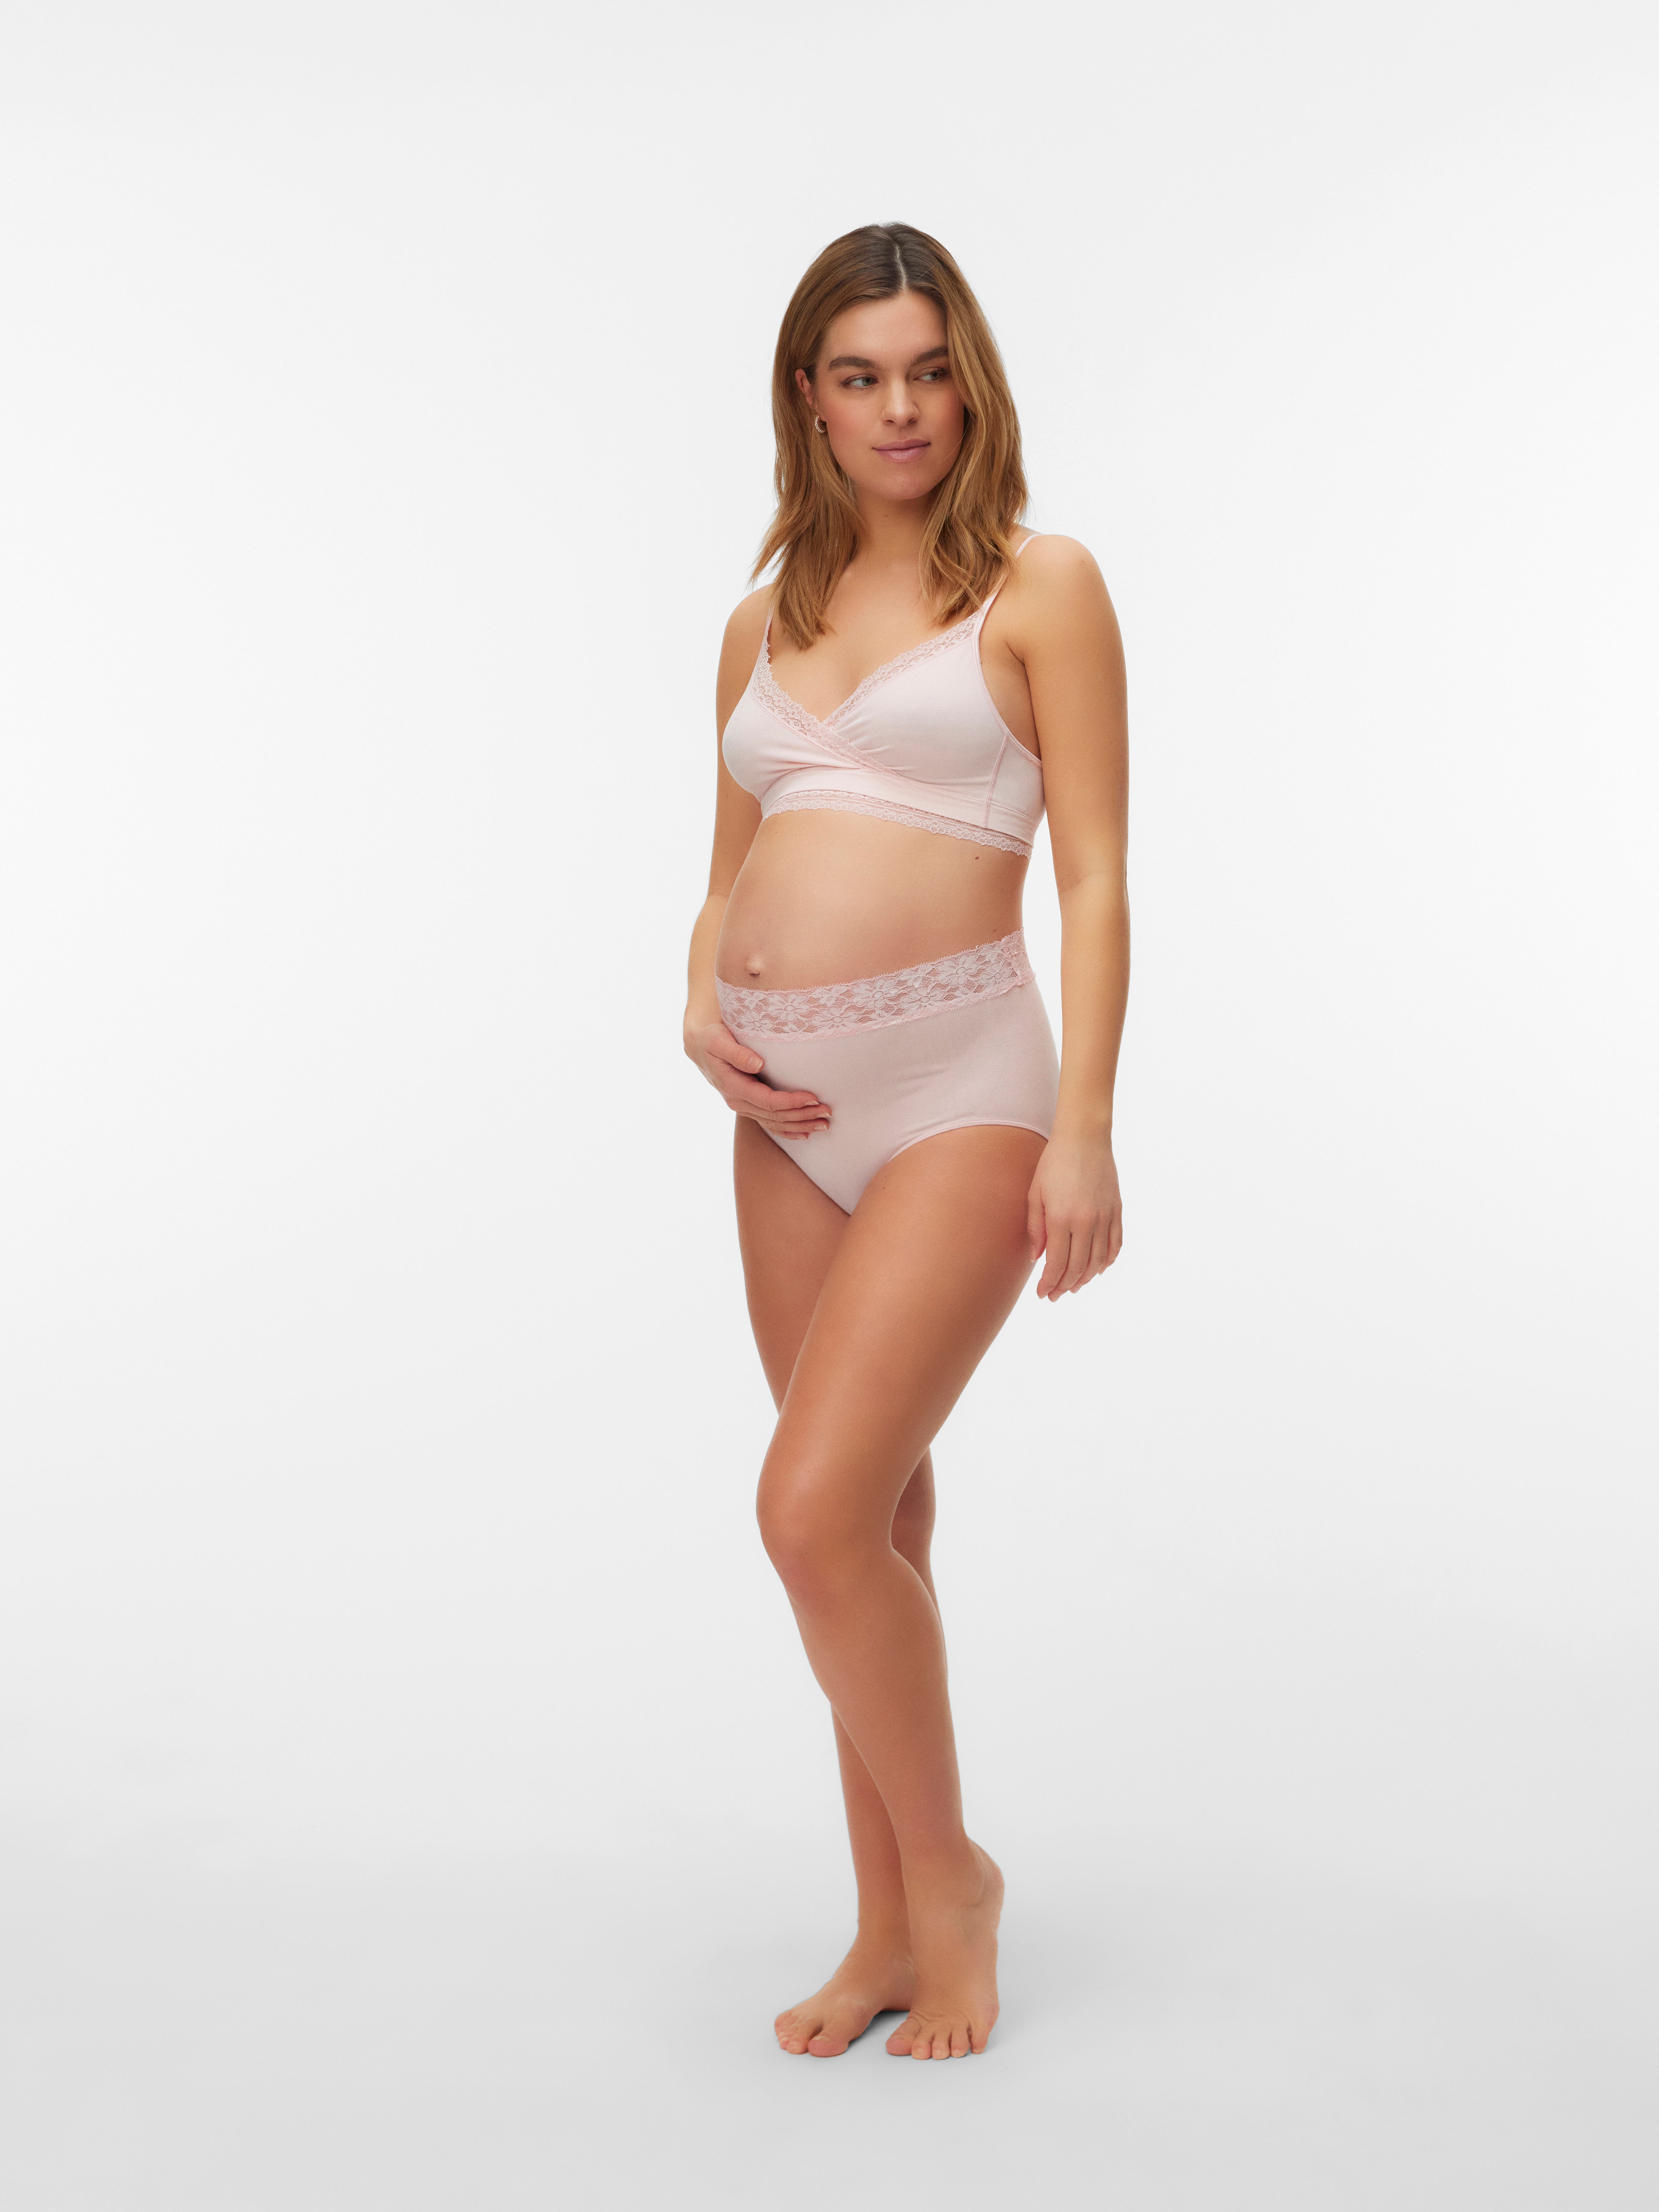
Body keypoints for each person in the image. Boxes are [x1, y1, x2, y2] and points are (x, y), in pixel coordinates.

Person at [683, 223, 1129, 2061]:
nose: (900, 408)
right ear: (809, 395)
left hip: (961, 1092)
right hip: (785, 1120)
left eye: (930, 371)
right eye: (861, 375)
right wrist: (702, 999)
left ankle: (952, 1885)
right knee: (871, 1519)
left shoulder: (1040, 585)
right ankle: (880, 1927)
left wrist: (1087, 1127)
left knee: (806, 1510)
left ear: (973, 384)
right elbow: (721, 881)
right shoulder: (761, 615)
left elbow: (1095, 878)